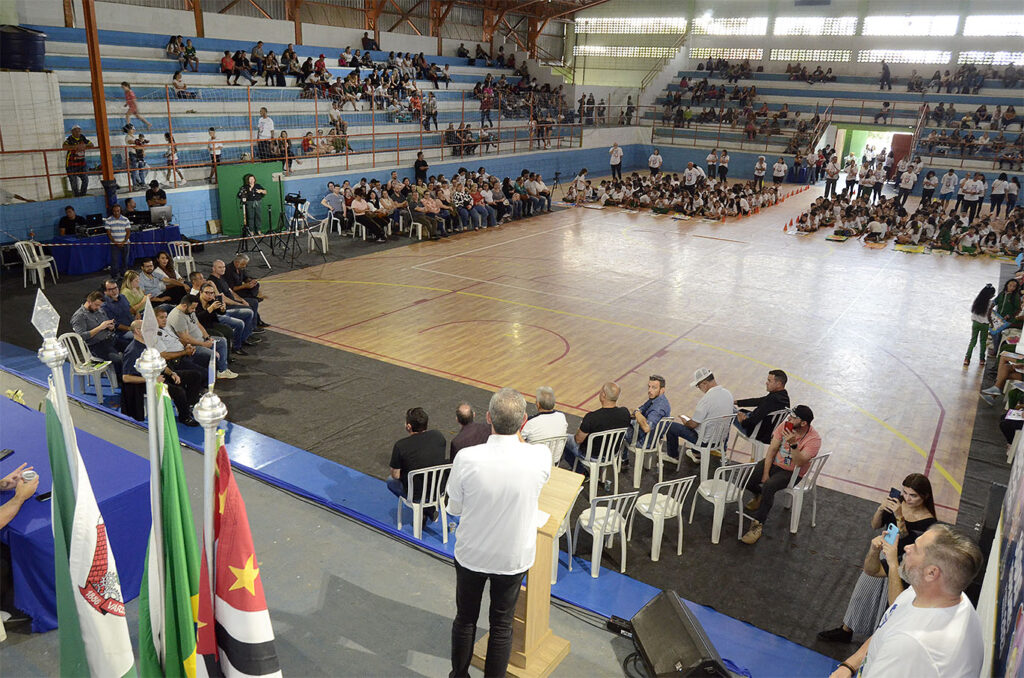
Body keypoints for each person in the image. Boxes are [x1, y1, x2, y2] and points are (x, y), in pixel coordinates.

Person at [446, 388, 551, 678]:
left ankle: (459, 675)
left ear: (489, 417)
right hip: (512, 558)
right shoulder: (540, 456)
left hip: (471, 554)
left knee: (465, 619)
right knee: (502, 627)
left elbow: (454, 508)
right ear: (524, 422)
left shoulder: (466, 458)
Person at [828, 525, 983, 678]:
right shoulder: (935, 595)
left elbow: (901, 639)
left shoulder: (911, 645)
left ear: (931, 572)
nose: (907, 547)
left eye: (915, 548)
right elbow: (890, 625)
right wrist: (849, 665)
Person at [819, 474, 937, 645]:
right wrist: (881, 509)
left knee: (887, 603)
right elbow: (875, 525)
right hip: (884, 553)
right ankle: (846, 629)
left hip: (903, 563)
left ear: (925, 497)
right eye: (905, 493)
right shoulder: (897, 503)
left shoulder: (928, 522)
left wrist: (899, 516)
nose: (907, 498)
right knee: (863, 591)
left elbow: (906, 539)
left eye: (913, 495)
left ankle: (877, 637)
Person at [740, 405, 821, 544]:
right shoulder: (785, 426)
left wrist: (793, 445)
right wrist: (765, 473)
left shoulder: (814, 440)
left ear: (803, 423)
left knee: (769, 486)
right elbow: (772, 450)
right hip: (774, 464)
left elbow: (799, 462)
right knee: (745, 477)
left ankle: (758, 525)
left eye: (793, 417)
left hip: (792, 472)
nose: (789, 418)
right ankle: (759, 495)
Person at [120, 320, 201, 426]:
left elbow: (160, 362)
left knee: (195, 376)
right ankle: (185, 417)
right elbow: (126, 378)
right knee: (178, 391)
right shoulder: (133, 351)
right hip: (145, 382)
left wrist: (171, 373)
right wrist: (153, 380)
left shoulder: (148, 344)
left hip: (158, 374)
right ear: (138, 331)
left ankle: (187, 406)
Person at [386, 407, 446, 516]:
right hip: (438, 489)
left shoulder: (401, 445)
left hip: (416, 494)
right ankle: (428, 510)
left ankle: (422, 510)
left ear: (408, 426)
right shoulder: (438, 436)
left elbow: (395, 475)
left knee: (390, 481)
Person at [664, 368, 733, 462]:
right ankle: (697, 454)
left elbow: (693, 425)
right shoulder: (728, 394)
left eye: (698, 386)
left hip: (705, 442)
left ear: (704, 383)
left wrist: (686, 421)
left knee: (671, 426)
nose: (699, 389)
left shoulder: (706, 400)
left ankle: (673, 456)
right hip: (720, 439)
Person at [560, 382, 631, 471]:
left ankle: (580, 471)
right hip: (612, 453)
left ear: (603, 395)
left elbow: (578, 440)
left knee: (563, 439)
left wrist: (580, 428)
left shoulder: (592, 417)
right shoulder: (625, 413)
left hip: (592, 455)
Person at [166, 294, 237, 380]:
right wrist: (203, 344)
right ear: (184, 305)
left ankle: (222, 371)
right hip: (193, 345)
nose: (194, 310)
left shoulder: (189, 311)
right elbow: (186, 338)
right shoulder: (177, 317)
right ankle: (210, 378)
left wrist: (207, 337)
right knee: (213, 355)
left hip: (201, 340)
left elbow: (198, 324)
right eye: (193, 308)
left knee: (221, 341)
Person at [70, 291, 123, 382]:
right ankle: (123, 382)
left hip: (111, 338)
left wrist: (111, 327)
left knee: (132, 347)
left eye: (100, 305)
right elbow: (81, 337)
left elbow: (107, 324)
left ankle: (135, 374)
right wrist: (100, 327)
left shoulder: (99, 310)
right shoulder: (79, 316)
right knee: (117, 360)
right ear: (89, 301)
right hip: (97, 345)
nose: (98, 308)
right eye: (96, 305)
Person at [623, 375, 671, 468]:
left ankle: (621, 460)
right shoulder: (655, 399)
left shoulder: (658, 408)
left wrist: (636, 413)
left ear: (662, 390)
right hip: (653, 438)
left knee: (618, 429)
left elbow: (646, 428)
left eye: (654, 388)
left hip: (644, 440)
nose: (650, 390)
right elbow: (642, 408)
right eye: (649, 387)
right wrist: (637, 412)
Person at [734, 369, 791, 445]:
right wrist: (737, 402)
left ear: (778, 384)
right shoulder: (783, 397)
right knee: (735, 409)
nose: (766, 383)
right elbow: (759, 401)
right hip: (766, 432)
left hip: (755, 432)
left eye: (769, 381)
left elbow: (754, 420)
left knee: (727, 410)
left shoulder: (772, 400)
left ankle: (720, 446)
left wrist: (742, 421)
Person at [223, 254, 268, 327]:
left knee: (256, 285)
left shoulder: (241, 268)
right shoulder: (228, 271)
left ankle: (252, 297)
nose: (244, 266)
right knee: (253, 302)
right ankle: (255, 323)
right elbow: (231, 288)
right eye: (243, 264)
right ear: (237, 262)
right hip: (235, 293)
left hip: (241, 289)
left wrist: (250, 281)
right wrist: (245, 286)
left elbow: (245, 278)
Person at [965, 284, 995, 367]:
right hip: (984, 325)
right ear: (991, 295)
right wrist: (992, 324)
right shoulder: (991, 303)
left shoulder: (977, 300)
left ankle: (967, 359)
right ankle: (982, 359)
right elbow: (989, 316)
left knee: (973, 341)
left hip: (975, 323)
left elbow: (973, 311)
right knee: (983, 342)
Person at [63, 125, 93, 197]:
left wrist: (85, 146)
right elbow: (64, 146)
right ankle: (76, 196)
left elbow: (91, 144)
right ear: (72, 132)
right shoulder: (69, 139)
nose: (77, 132)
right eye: (75, 131)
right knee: (74, 183)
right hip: (71, 164)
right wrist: (76, 147)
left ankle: (82, 195)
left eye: (79, 130)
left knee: (85, 179)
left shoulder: (83, 138)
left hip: (81, 164)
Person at [104, 204, 132, 279]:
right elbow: (109, 233)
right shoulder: (108, 220)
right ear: (112, 211)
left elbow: (128, 232)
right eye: (114, 211)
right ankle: (114, 277)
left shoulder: (125, 220)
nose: (116, 213)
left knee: (125, 260)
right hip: (114, 244)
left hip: (125, 244)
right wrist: (115, 242)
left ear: (120, 211)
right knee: (114, 261)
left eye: (118, 211)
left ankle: (124, 275)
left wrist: (123, 242)